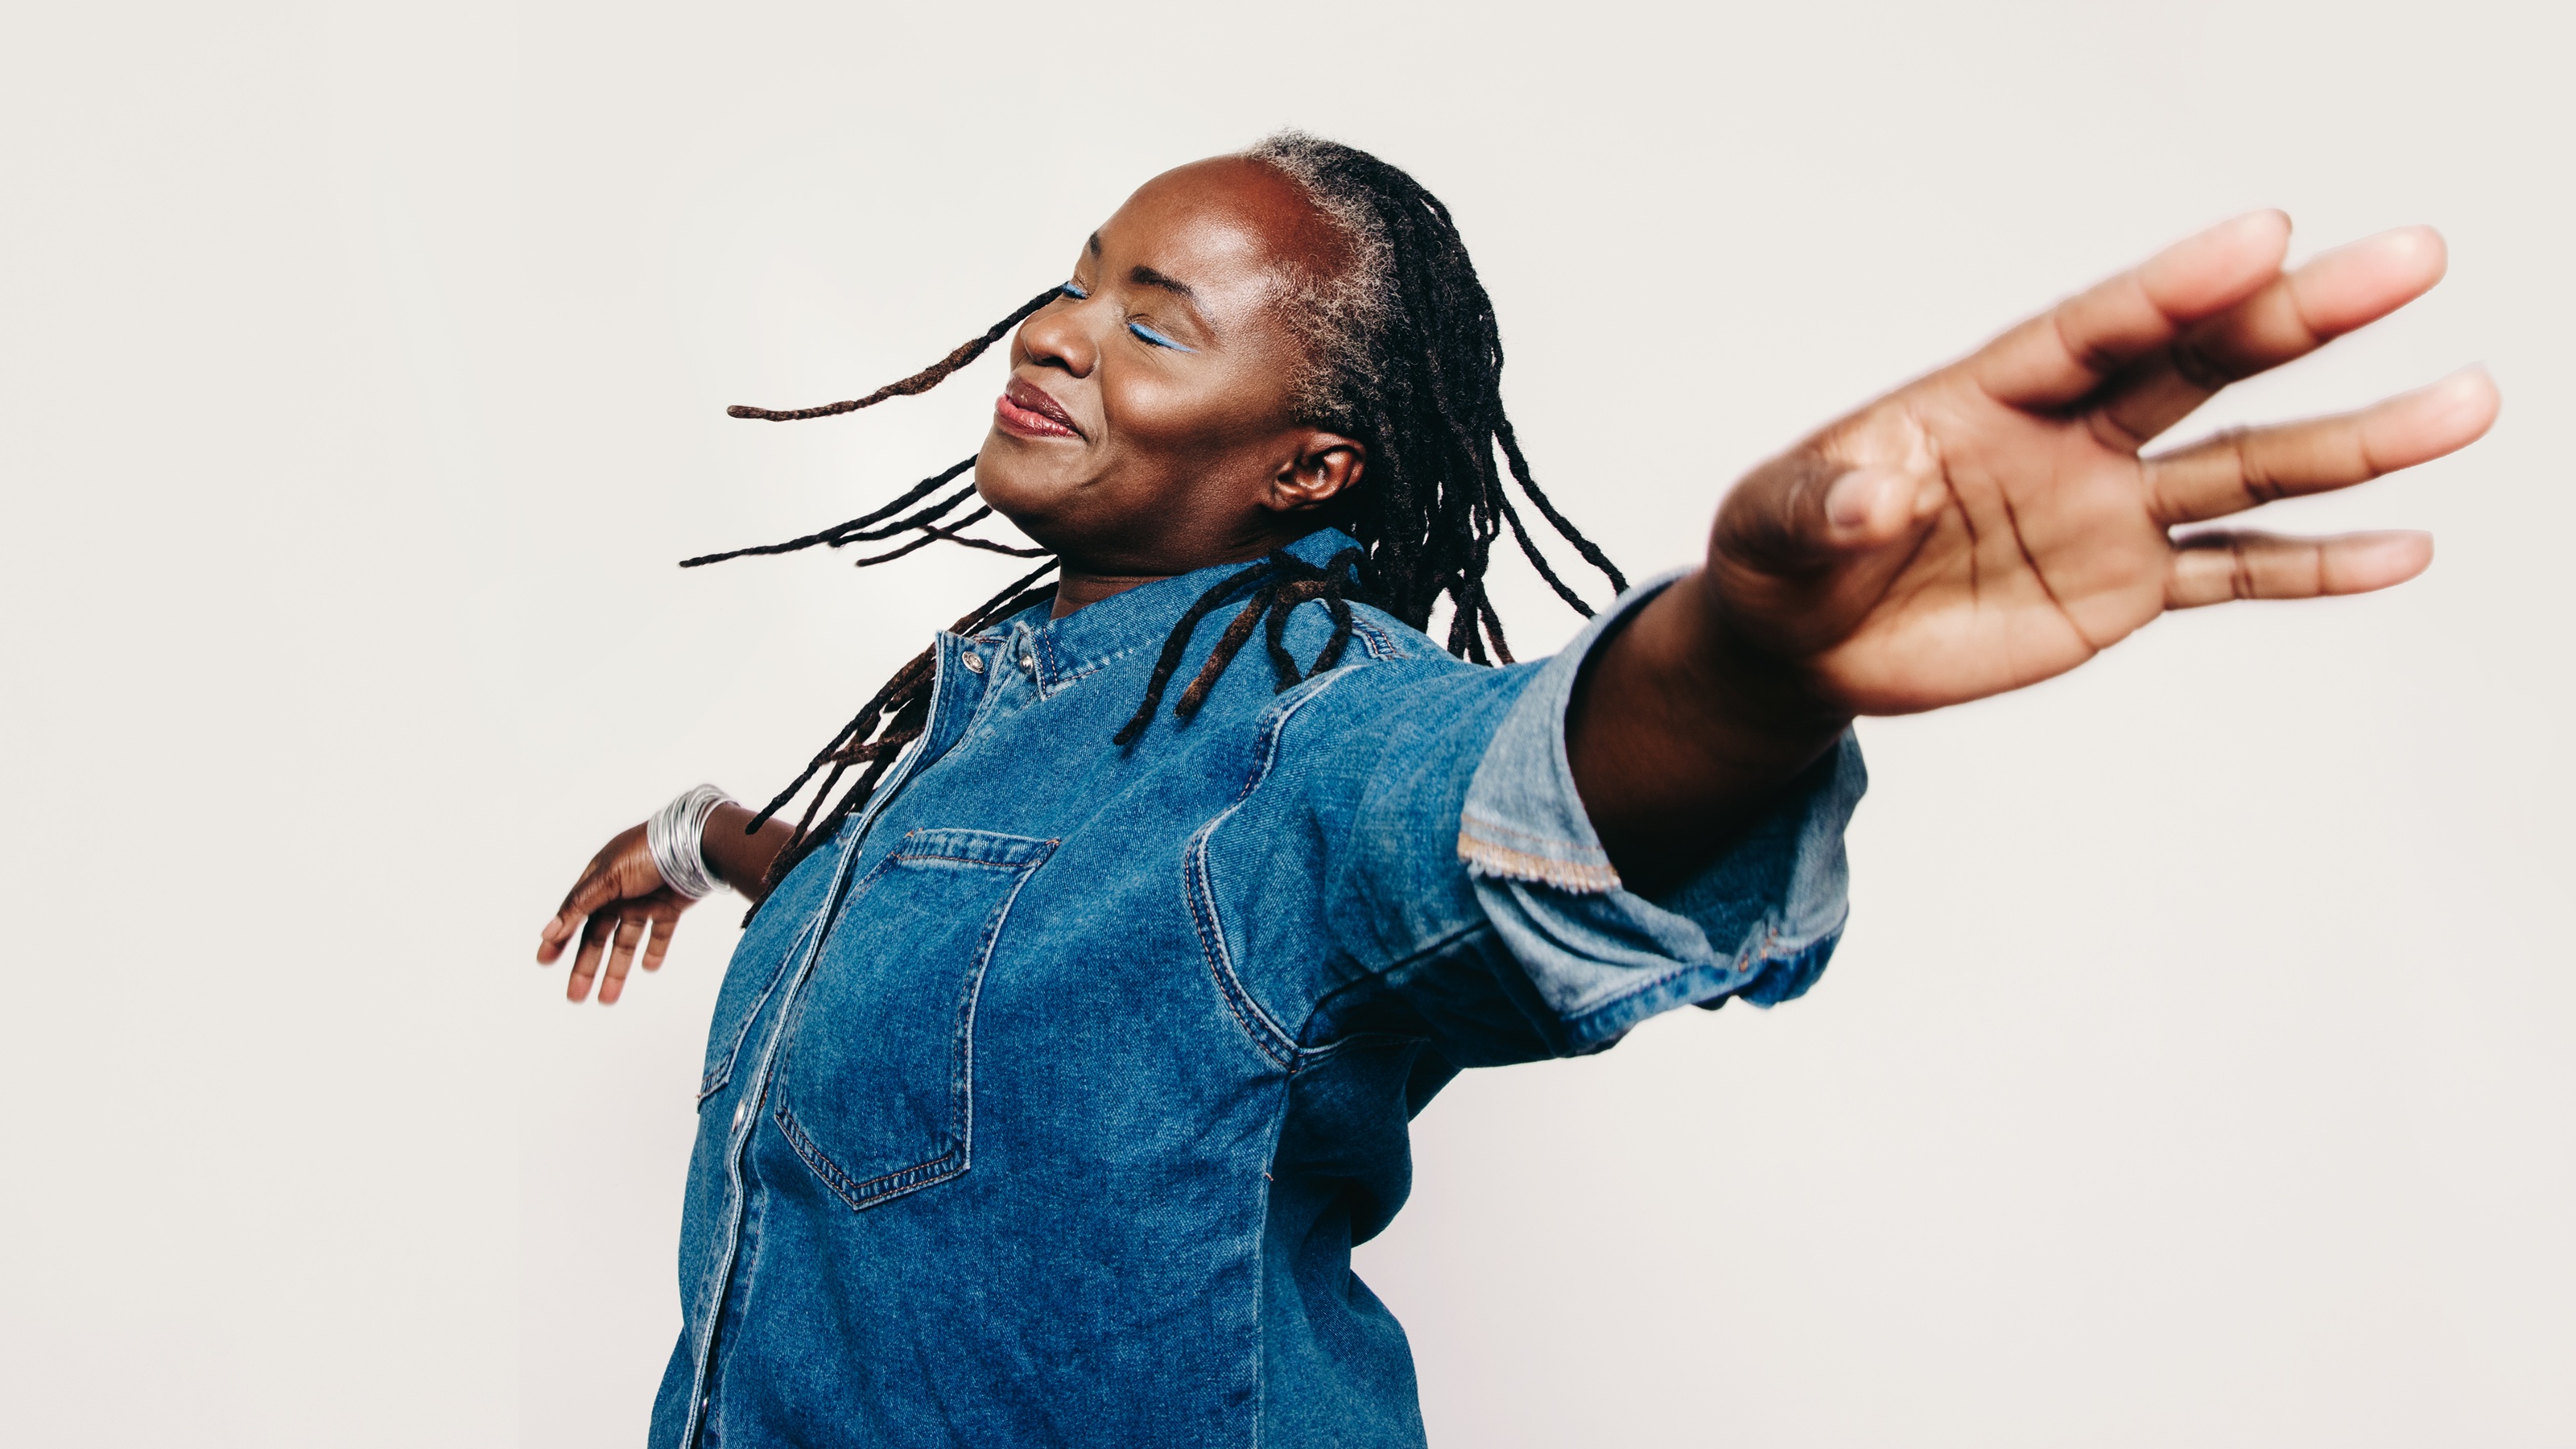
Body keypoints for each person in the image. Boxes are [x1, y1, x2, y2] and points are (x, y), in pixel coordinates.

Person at [535, 133, 2495, 1447]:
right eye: (1081, 278)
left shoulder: (1310, 734)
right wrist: (718, 843)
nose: (1058, 332)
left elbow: (1499, 803)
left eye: (1155, 320)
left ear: (1309, 467)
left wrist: (1744, 657)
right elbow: (1025, 941)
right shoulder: (1017, 709)